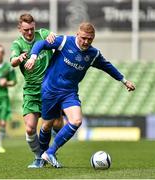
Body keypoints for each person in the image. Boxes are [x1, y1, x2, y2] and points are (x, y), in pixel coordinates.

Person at [28, 22, 136, 168]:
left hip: (69, 93)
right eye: (83, 38)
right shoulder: (64, 41)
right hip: (50, 90)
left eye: (89, 39)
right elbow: (41, 44)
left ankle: (51, 152)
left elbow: (108, 67)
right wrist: (33, 57)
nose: (86, 41)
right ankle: (40, 158)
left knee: (76, 120)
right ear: (77, 34)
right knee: (47, 126)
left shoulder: (93, 54)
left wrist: (124, 80)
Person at [10, 13, 63, 168]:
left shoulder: (42, 34)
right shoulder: (17, 44)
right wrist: (18, 59)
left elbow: (53, 36)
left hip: (49, 89)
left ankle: (51, 152)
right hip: (31, 92)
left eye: (32, 28)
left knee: (59, 123)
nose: (29, 32)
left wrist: (53, 35)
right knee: (30, 128)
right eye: (26, 30)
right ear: (20, 28)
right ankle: (39, 157)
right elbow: (12, 61)